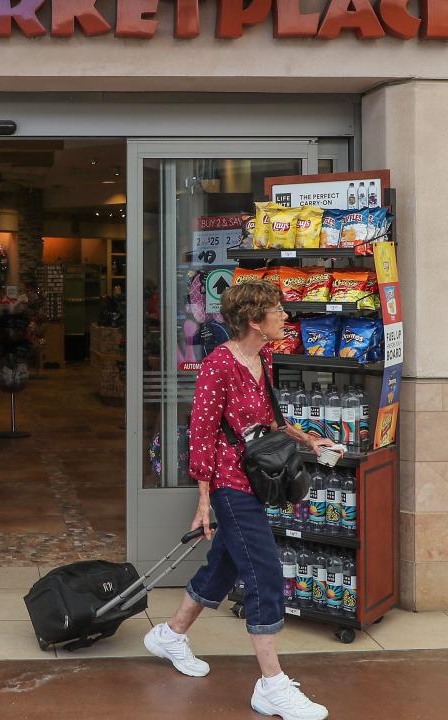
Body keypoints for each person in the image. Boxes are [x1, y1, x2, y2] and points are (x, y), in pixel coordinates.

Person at [144, 279, 333, 720]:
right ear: (253, 320)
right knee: (264, 571)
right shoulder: (218, 365)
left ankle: (171, 635)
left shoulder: (263, 357)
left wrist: (308, 439)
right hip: (230, 483)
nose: (285, 316)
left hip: (255, 476)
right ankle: (271, 685)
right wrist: (203, 499)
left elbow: (268, 420)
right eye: (278, 310)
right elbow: (202, 436)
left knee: (226, 562)